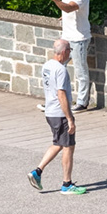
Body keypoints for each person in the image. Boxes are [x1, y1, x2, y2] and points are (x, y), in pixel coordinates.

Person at [29, 38, 84, 195]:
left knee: (58, 143)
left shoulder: (47, 66)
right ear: (65, 52)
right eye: (70, 51)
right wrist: (70, 118)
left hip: (50, 112)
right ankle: (67, 184)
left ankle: (37, 172)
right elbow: (61, 94)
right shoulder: (61, 70)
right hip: (60, 113)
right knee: (68, 146)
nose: (70, 54)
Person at [44, 0, 92, 110]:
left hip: (79, 38)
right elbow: (66, 9)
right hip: (66, 37)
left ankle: (82, 102)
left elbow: (70, 7)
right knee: (58, 68)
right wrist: (63, 16)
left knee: (80, 71)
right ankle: (58, 100)